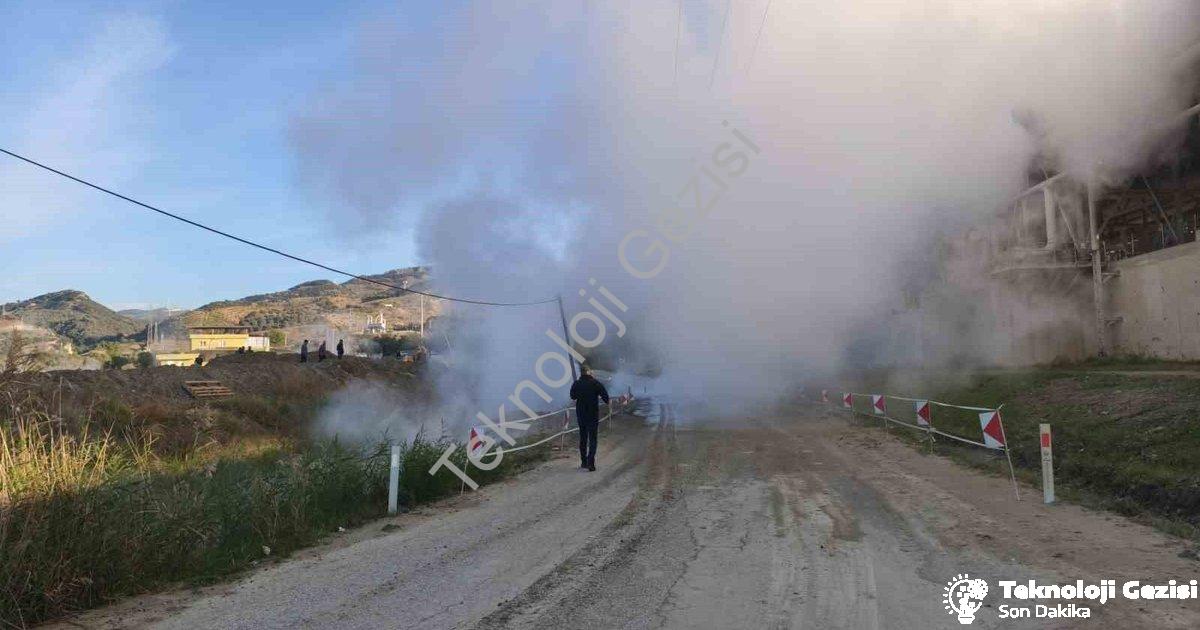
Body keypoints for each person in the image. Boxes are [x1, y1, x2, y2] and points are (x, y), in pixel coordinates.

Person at [569, 365, 609, 472]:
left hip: (581, 415)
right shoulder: (595, 383)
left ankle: (583, 462)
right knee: (593, 439)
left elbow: (572, 396)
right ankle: (591, 462)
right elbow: (606, 397)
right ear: (589, 372)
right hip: (593, 414)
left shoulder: (576, 383)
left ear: (581, 373)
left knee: (583, 438)